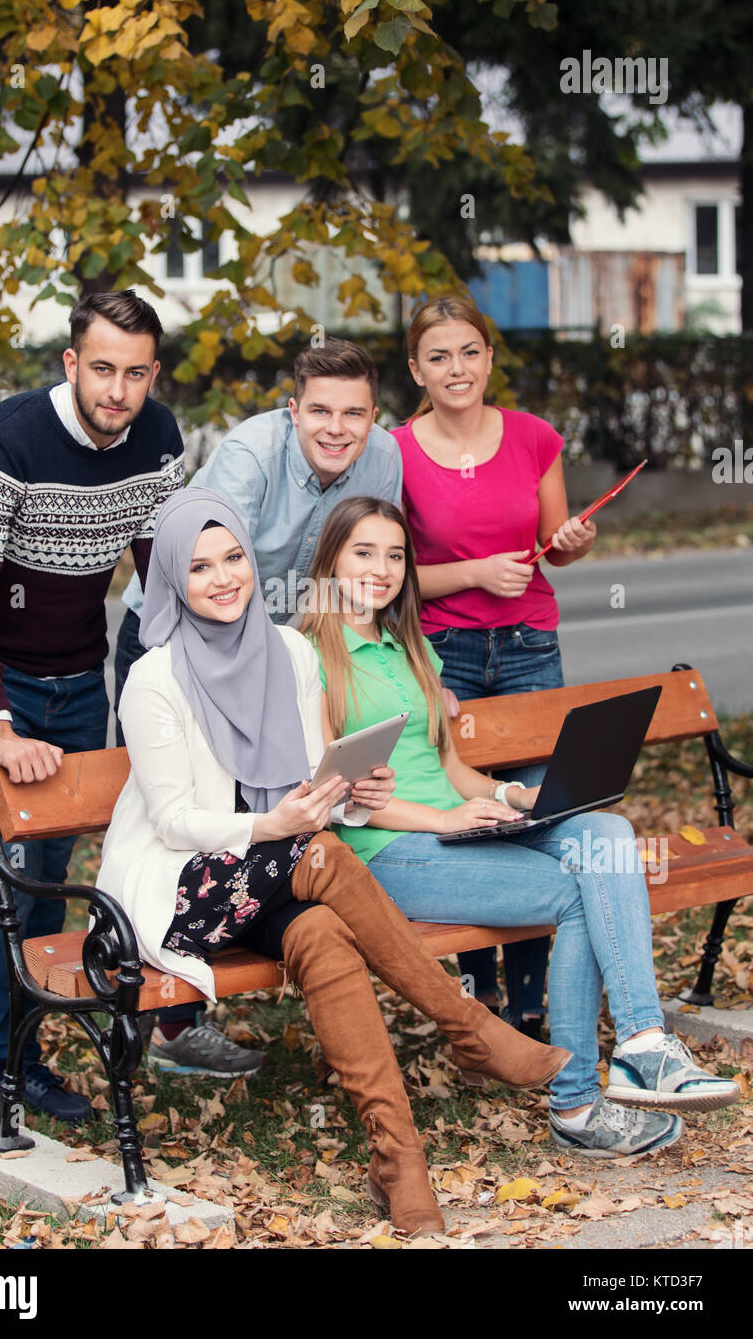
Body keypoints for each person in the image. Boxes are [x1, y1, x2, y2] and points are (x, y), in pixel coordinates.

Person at [96, 487, 569, 1234]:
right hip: (185, 887)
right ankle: (468, 1028)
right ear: (171, 585)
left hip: (278, 870)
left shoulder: (287, 651)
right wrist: (276, 821)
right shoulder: (156, 678)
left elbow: (320, 784)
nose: (223, 579)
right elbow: (174, 820)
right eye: (198, 568)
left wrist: (354, 793)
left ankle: (397, 1159)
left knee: (320, 931)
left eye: (233, 559)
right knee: (315, 854)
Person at [301, 496, 740, 1157]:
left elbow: (448, 765)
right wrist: (446, 819)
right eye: (363, 552)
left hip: (454, 826)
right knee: (575, 891)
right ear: (330, 559)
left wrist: (513, 795)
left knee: (606, 836)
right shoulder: (308, 657)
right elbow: (336, 797)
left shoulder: (408, 643)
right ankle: (575, 1104)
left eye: (394, 554)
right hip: (386, 853)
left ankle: (643, 1042)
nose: (381, 568)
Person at [0, 290, 185, 1127]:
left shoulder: (158, 437)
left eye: (135, 373)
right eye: (102, 368)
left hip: (75, 665)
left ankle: (24, 1061)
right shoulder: (10, 435)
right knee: (15, 867)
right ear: (71, 363)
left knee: (52, 871)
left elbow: (163, 570)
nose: (118, 389)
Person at [111, 337, 403, 1076]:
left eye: (355, 414)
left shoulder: (383, 458)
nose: (338, 429)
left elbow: (362, 562)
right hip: (175, 632)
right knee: (178, 807)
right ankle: (167, 1016)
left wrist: (358, 660)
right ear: (291, 408)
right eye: (320, 412)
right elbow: (206, 560)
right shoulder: (248, 459)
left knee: (285, 799)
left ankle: (177, 1023)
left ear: (374, 416)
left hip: (268, 641)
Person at [393, 295, 599, 1039]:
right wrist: (474, 571)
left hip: (527, 646)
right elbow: (390, 575)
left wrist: (573, 543)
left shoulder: (534, 437)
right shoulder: (396, 451)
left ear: (488, 357)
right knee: (469, 816)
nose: (457, 369)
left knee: (539, 812)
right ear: (415, 367)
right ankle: (479, 994)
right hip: (441, 653)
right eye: (439, 356)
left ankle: (533, 1002)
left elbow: (555, 545)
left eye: (470, 352)